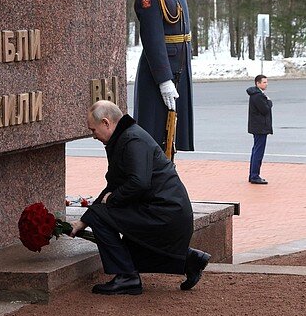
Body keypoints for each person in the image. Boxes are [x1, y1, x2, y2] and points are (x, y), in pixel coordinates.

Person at [69, 101, 210, 295]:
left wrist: (111, 200)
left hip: (166, 214)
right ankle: (189, 260)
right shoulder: (125, 138)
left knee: (102, 218)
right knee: (106, 223)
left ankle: (127, 277)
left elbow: (138, 183)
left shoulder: (132, 140)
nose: (93, 136)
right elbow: (114, 185)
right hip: (163, 210)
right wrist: (84, 221)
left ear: (106, 123)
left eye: (93, 130)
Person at [132, 0, 194, 153]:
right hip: (161, 72)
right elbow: (153, 39)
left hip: (179, 67)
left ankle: (168, 172)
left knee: (173, 136)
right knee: (157, 135)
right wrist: (164, 79)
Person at [247, 75, 273, 184]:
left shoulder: (257, 94)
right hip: (260, 127)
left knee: (256, 150)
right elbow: (265, 109)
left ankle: (253, 174)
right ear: (258, 83)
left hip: (257, 127)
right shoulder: (258, 96)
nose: (266, 84)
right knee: (258, 152)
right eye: (264, 82)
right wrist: (269, 102)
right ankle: (254, 175)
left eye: (266, 82)